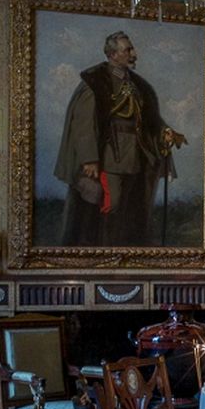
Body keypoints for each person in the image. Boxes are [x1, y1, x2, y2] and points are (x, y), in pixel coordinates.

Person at [53, 30, 187, 247]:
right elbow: (84, 124)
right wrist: (89, 159)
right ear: (113, 54)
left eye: (132, 49)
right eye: (128, 50)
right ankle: (105, 250)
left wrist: (164, 132)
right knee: (110, 204)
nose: (133, 54)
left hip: (136, 155)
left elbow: (149, 119)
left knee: (131, 206)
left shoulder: (137, 85)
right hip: (109, 157)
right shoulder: (95, 82)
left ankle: (126, 251)